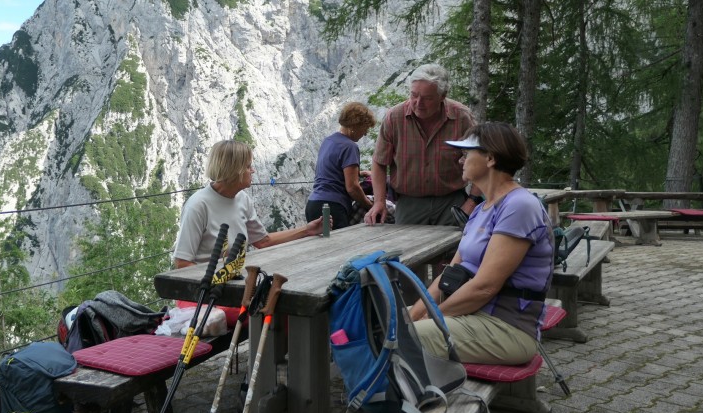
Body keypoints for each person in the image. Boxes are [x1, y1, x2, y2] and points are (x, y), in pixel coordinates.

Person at [409, 122, 554, 365]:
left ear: (490, 158)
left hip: (506, 327)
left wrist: (431, 318)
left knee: (402, 337)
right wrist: (414, 315)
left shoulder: (519, 205)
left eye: (466, 154)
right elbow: (448, 275)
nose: (460, 160)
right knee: (390, 323)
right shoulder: (481, 210)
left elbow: (484, 287)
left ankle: (406, 400)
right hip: (475, 315)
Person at [172, 139, 326, 269]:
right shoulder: (198, 205)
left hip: (232, 283)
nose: (252, 170)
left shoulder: (242, 199)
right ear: (233, 170)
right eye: (248, 166)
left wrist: (307, 230)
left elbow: (263, 241)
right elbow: (182, 262)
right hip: (204, 293)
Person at [363, 64, 478, 226]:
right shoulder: (394, 118)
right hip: (409, 204)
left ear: (442, 96)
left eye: (427, 98)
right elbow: (379, 162)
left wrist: (472, 201)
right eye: (414, 95)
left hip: (452, 203)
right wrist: (379, 202)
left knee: (454, 250)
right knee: (406, 250)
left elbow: (481, 162)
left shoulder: (462, 118)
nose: (418, 103)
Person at [305, 102, 376, 230]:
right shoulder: (350, 146)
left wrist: (360, 173)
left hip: (313, 205)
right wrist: (370, 205)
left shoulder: (328, 141)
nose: (365, 133)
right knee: (339, 248)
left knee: (322, 248)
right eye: (365, 128)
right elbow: (352, 187)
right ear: (355, 125)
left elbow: (331, 168)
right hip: (332, 208)